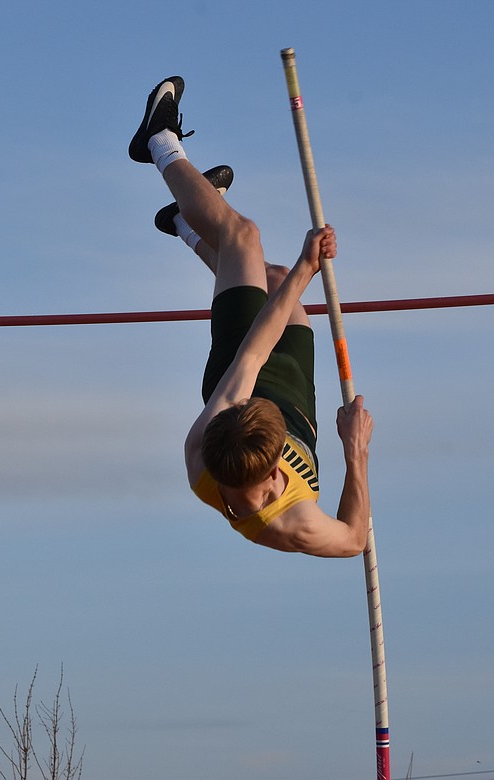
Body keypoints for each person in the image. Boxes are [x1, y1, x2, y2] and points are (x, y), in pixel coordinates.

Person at [129, 76, 374, 558]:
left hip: (237, 365)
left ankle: (157, 141)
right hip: (296, 396)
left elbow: (252, 354)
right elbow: (352, 539)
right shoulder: (298, 521)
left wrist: (311, 268)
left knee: (242, 236)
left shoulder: (209, 442)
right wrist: (355, 450)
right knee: (277, 275)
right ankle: (184, 221)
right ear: (272, 471)